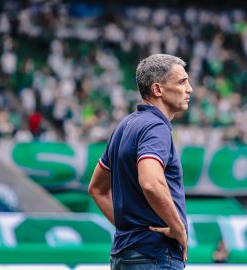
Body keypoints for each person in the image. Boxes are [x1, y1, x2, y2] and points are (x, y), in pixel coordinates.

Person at [89, 54, 193, 270]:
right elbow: (151, 182)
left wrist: (132, 231)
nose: (189, 89)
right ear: (158, 89)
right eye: (182, 82)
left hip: (126, 255)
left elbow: (96, 189)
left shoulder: (125, 126)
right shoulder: (156, 127)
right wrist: (178, 229)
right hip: (154, 255)